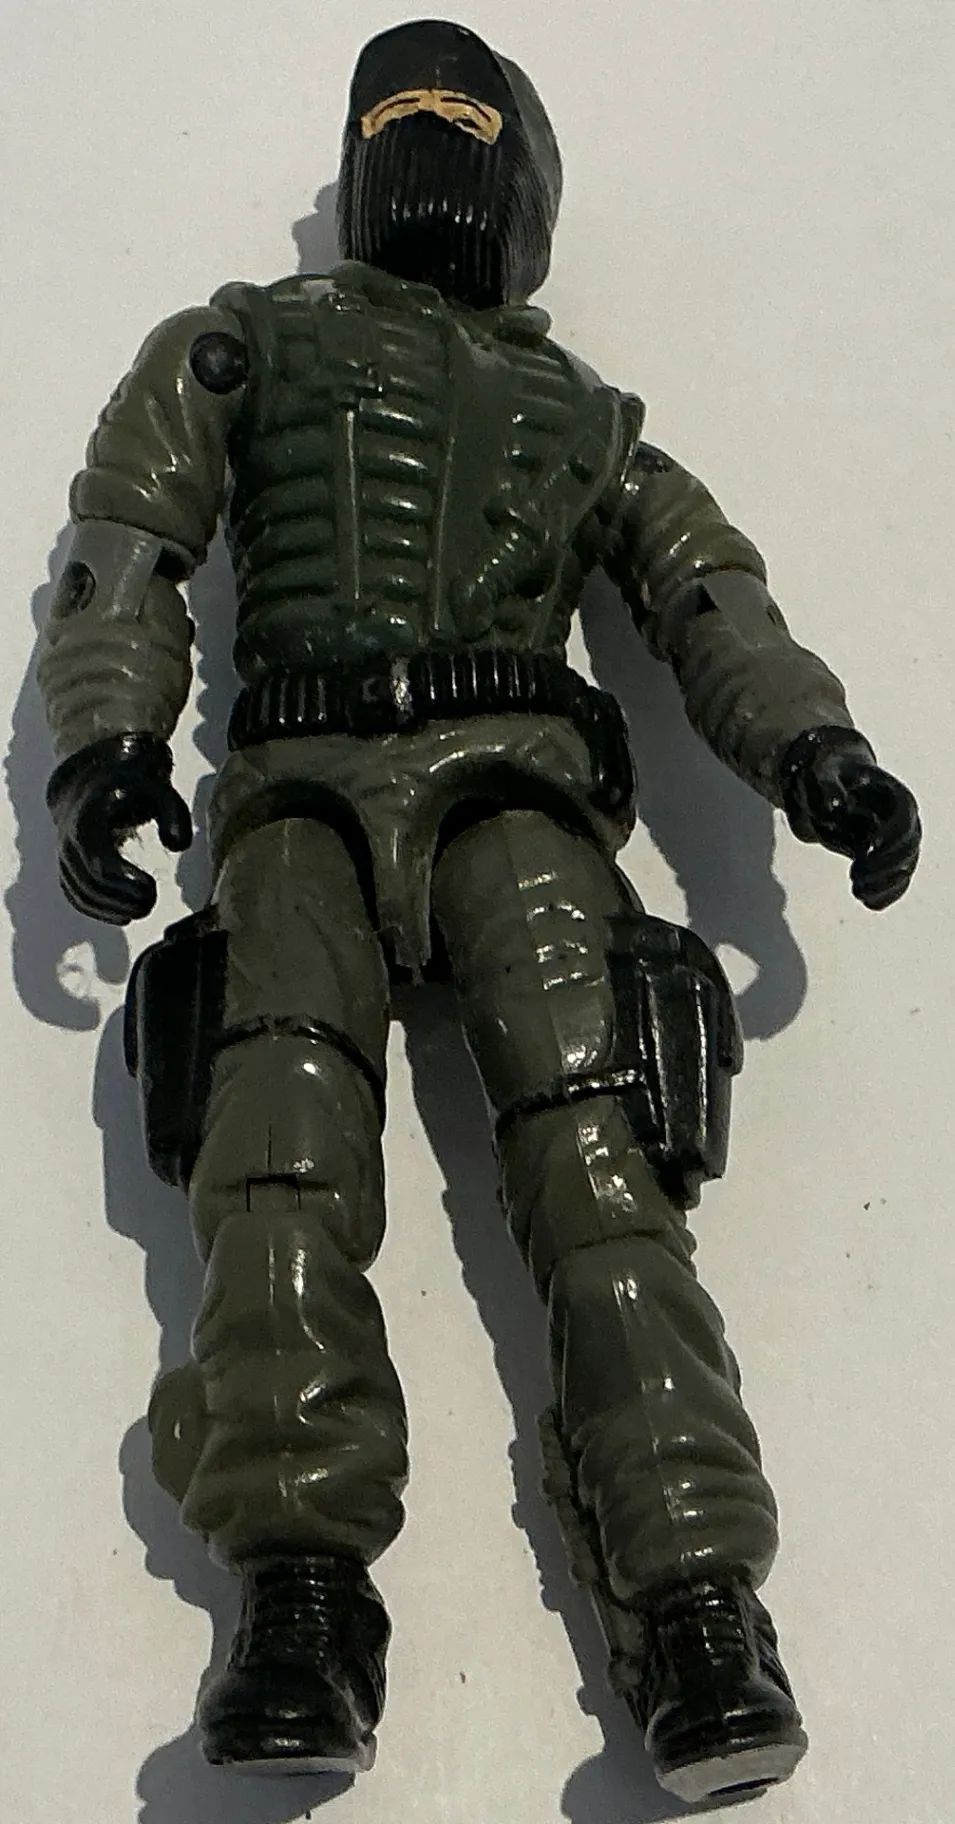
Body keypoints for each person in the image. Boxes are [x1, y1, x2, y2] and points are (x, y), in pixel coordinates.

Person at [38, 17, 921, 1804]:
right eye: (404, 116)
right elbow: (129, 540)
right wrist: (107, 741)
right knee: (272, 1163)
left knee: (599, 1171)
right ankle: (299, 1589)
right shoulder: (249, 341)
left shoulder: (584, 416)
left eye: (462, 120)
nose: (429, 144)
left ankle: (693, 1597)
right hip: (297, 793)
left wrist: (812, 751)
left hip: (514, 795)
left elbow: (709, 600)